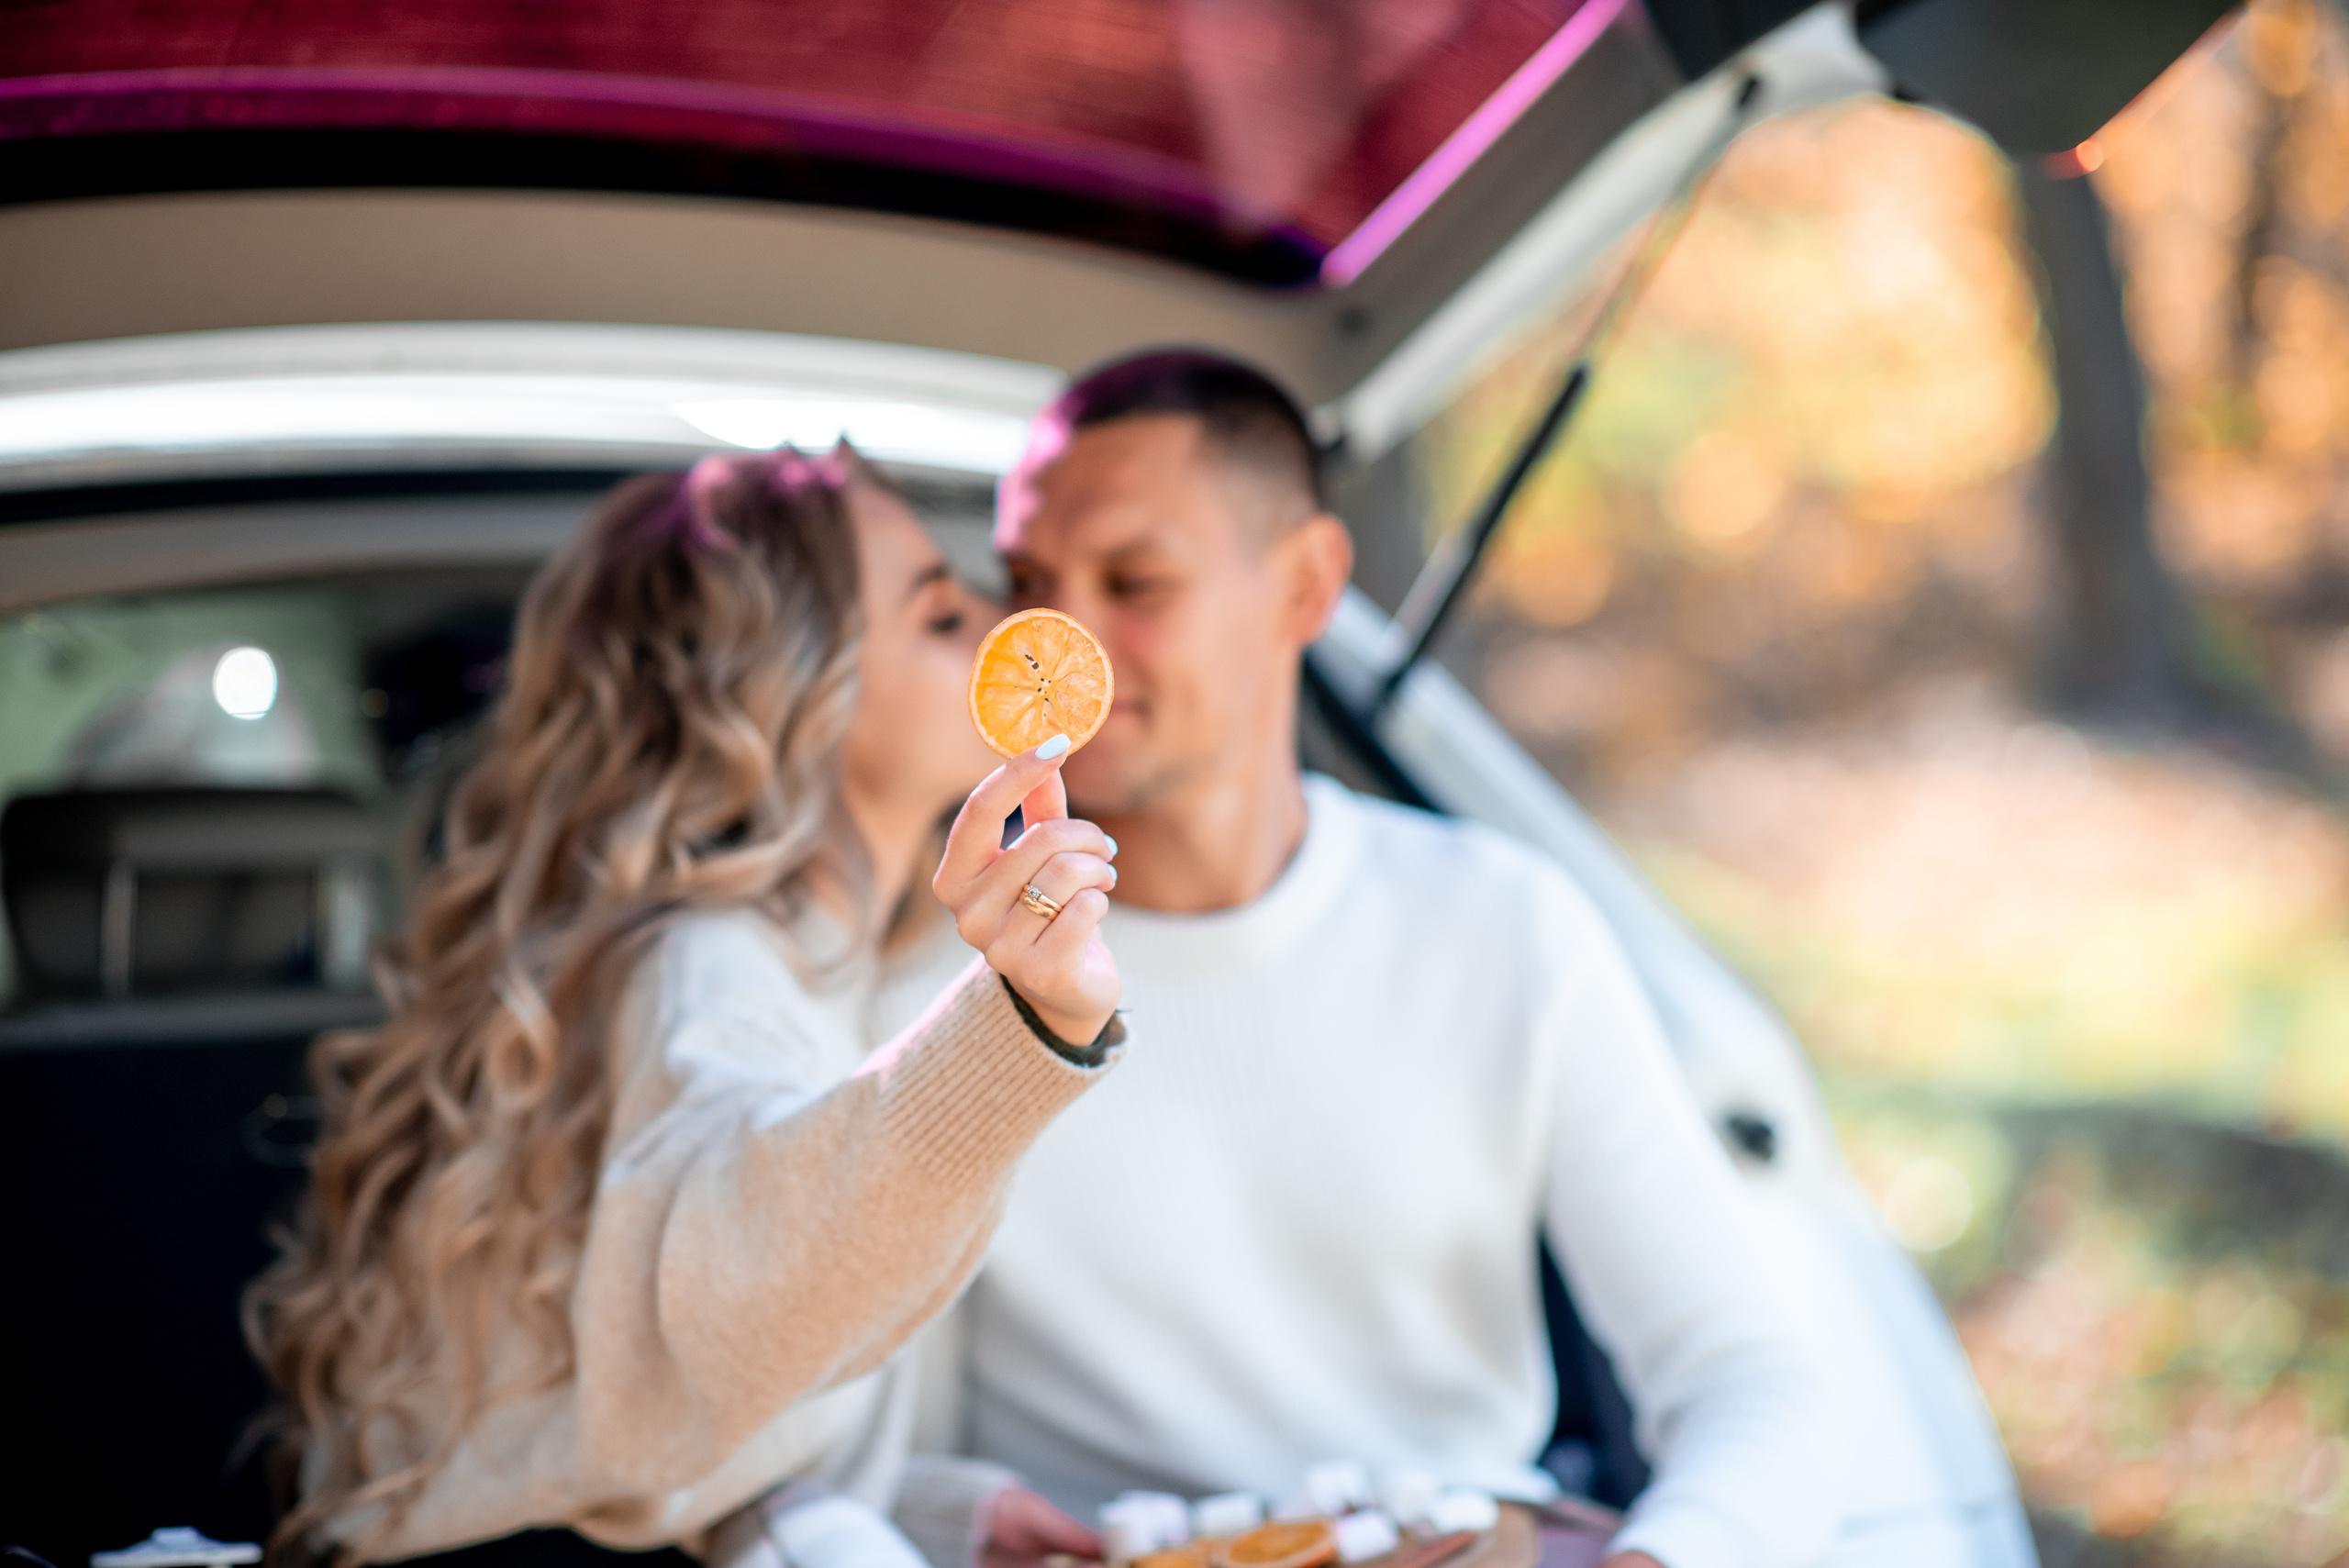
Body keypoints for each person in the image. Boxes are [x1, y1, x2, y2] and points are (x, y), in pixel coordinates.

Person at [885, 354, 1845, 1568]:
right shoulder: (931, 969)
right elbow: (828, 1448)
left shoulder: (1506, 929)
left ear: (1306, 586)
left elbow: (1754, 1376)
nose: (1057, 641)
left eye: (1134, 580)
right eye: (1027, 582)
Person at [243, 448, 1127, 1567]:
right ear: (787, 688)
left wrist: (936, 1512)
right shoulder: (702, 966)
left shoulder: (824, 968)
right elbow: (736, 1290)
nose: (1006, 631)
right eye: (940, 613)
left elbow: (688, 1428)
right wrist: (1025, 1029)